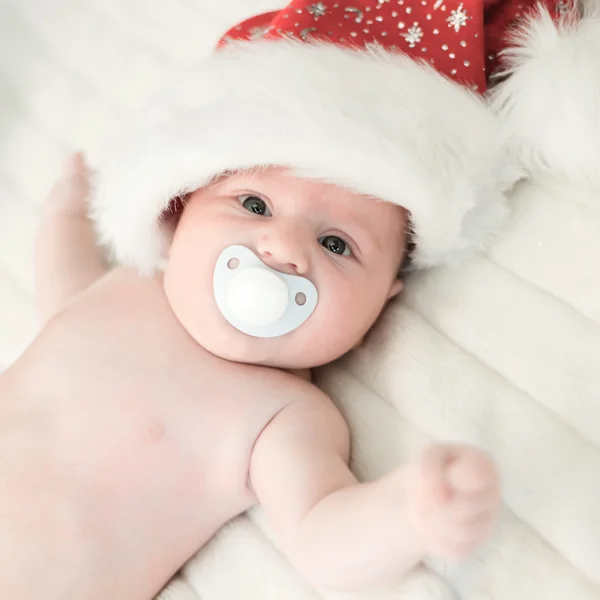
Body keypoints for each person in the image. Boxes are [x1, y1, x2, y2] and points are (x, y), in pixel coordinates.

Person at [1, 0, 564, 597]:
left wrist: (410, 513)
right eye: (254, 205)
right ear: (178, 208)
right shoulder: (123, 290)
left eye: (336, 243)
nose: (283, 247)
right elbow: (63, 291)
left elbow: (323, 540)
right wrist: (67, 207)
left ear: (386, 295)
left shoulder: (281, 414)